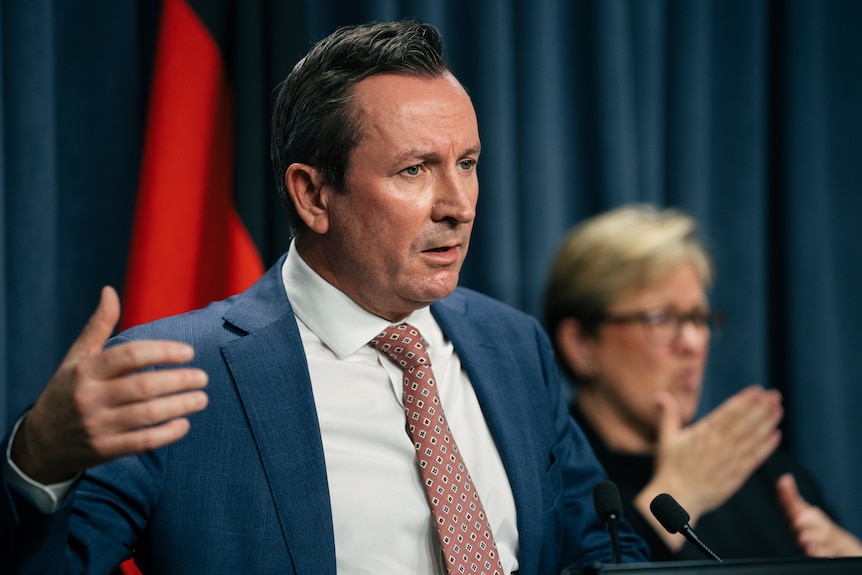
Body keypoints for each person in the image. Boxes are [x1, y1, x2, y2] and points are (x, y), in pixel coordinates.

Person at [0, 20, 648, 574]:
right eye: (415, 169)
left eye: (469, 163)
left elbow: (599, 546)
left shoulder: (512, 346)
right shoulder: (179, 372)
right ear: (313, 195)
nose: (459, 205)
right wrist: (38, 461)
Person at [543, 203, 862, 561]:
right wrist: (679, 491)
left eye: (698, 318)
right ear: (581, 344)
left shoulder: (750, 463)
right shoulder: (551, 478)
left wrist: (851, 559)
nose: (693, 343)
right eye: (661, 318)